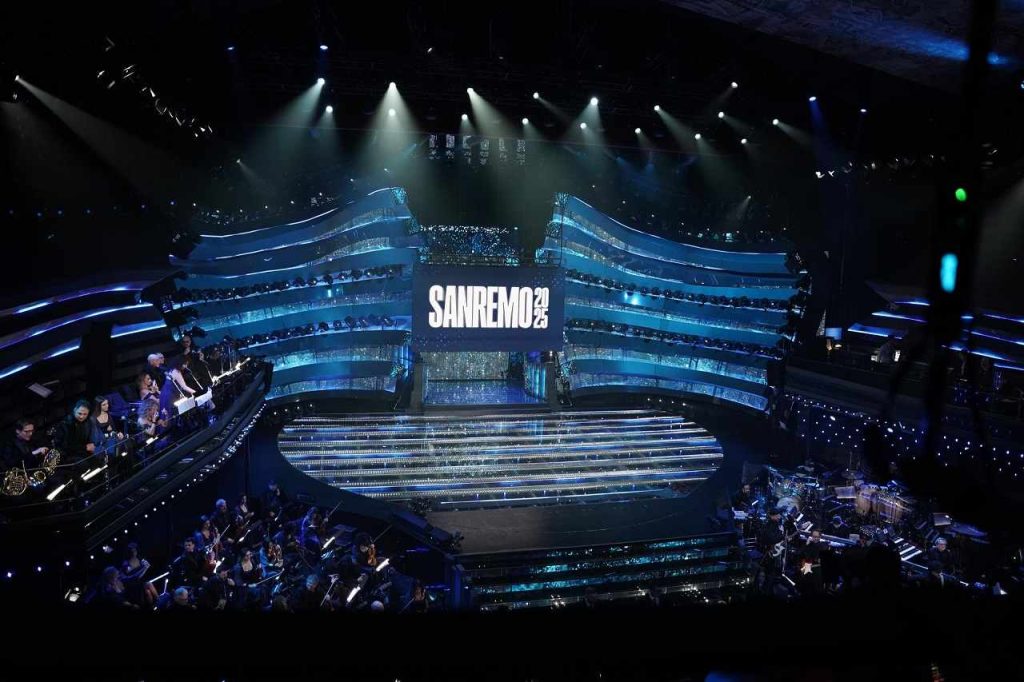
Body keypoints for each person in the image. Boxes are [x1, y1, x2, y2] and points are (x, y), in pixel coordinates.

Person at [53, 400, 97, 464]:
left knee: (98, 461)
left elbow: (88, 440)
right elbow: (65, 446)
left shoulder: (88, 422)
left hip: (82, 452)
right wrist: (85, 447)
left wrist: (90, 445)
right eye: (79, 413)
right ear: (75, 410)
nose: (82, 417)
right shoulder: (66, 424)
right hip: (67, 455)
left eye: (85, 414)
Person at [121, 543, 160, 607]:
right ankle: (157, 600)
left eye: (134, 550)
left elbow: (145, 568)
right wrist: (144, 568)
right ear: (128, 552)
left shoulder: (139, 559)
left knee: (147, 591)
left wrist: (146, 565)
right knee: (148, 584)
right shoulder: (126, 563)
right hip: (133, 584)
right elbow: (134, 576)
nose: (134, 552)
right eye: (132, 551)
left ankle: (155, 604)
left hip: (141, 581)